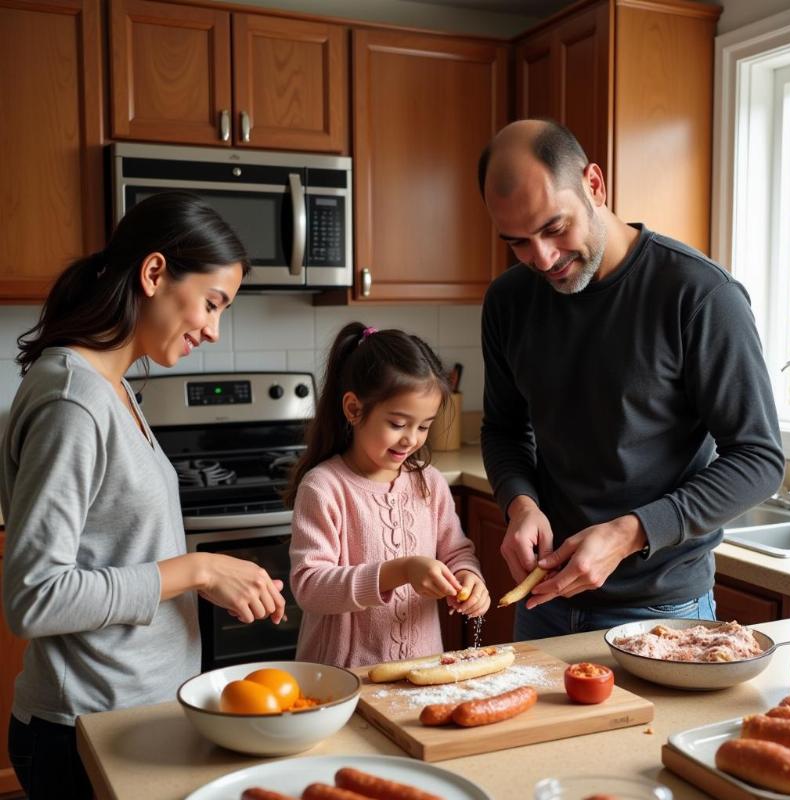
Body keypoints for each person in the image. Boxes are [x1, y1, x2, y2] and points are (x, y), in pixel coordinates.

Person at [1, 191, 287, 799]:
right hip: (84, 731)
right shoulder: (72, 401)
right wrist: (198, 570)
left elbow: (120, 551)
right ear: (154, 273)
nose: (213, 329)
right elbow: (34, 598)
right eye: (212, 304)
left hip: (137, 714)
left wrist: (212, 581)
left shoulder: (114, 386)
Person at [477, 118, 784, 640]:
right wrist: (519, 501)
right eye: (518, 243)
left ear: (594, 184)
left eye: (554, 228)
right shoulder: (509, 301)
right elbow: (504, 428)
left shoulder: (699, 296)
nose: (543, 258)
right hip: (544, 601)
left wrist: (630, 532)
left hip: (662, 613)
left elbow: (759, 459)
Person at [286, 322, 490, 668]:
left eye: (424, 426)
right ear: (353, 409)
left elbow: (457, 552)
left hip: (422, 667)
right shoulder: (324, 488)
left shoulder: (430, 483)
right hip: (345, 678)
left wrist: (470, 579)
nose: (412, 439)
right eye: (398, 424)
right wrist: (399, 571)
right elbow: (310, 586)